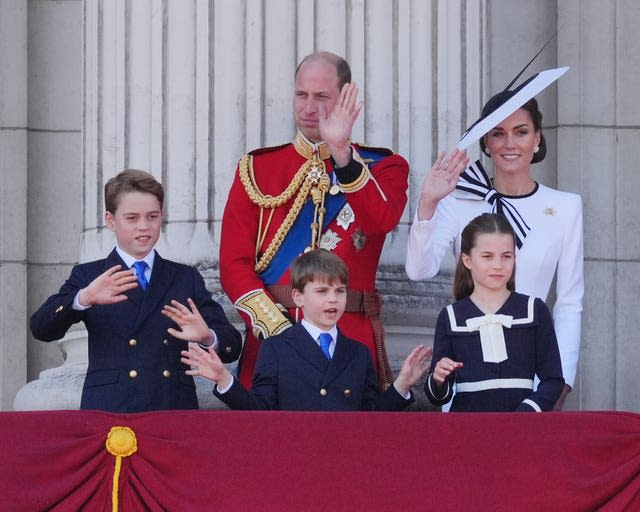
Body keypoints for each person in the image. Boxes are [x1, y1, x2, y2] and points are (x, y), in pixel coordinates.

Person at [220, 51, 409, 390]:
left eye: (321, 97)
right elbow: (234, 263)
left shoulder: (384, 168)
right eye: (301, 95)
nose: (309, 108)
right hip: (273, 339)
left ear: (346, 99)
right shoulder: (257, 169)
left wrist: (342, 155)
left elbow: (381, 221)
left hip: (348, 339)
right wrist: (278, 330)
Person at [406, 90, 583, 410]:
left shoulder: (566, 207)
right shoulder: (458, 200)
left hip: (533, 374)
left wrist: (562, 383)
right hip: (468, 368)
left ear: (538, 138)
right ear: (486, 142)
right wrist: (428, 202)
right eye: (498, 133)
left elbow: (569, 302)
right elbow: (419, 270)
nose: (510, 143)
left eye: (521, 132)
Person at [30, 169, 242, 412]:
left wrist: (208, 337)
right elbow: (41, 328)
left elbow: (231, 347)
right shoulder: (89, 275)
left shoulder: (184, 277)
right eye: (132, 218)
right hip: (111, 407)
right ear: (111, 220)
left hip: (171, 406)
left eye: (152, 216)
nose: (144, 226)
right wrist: (83, 298)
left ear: (161, 216)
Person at [183, 249, 431, 411]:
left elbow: (371, 416)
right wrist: (224, 379)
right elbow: (260, 410)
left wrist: (402, 384)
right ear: (298, 297)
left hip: (345, 463)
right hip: (294, 463)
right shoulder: (276, 348)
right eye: (322, 292)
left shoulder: (358, 352)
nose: (333, 300)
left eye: (340, 291)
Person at [424, 213, 564, 412]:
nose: (498, 265)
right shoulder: (451, 317)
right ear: (467, 260)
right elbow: (437, 397)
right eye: (487, 256)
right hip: (467, 431)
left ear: (515, 258)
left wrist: (526, 413)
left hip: (521, 431)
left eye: (506, 256)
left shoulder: (534, 310)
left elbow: (553, 381)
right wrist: (439, 378)